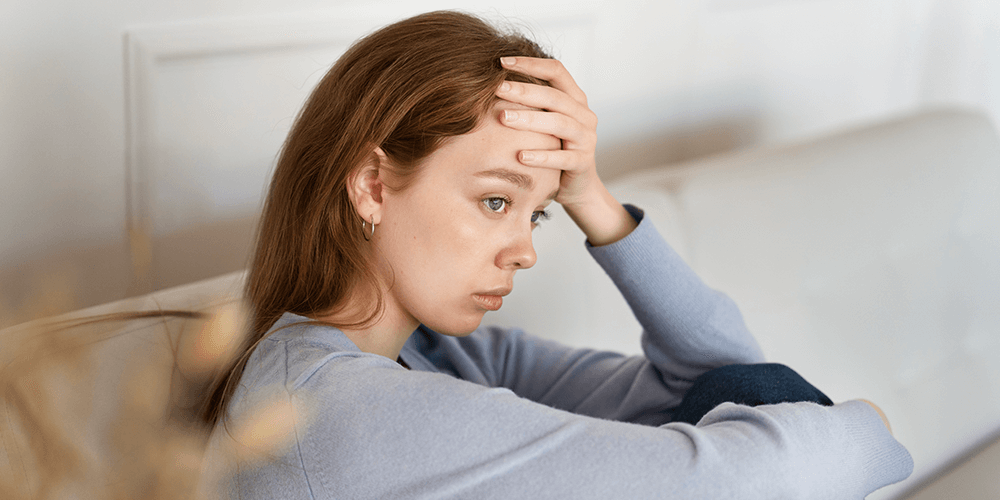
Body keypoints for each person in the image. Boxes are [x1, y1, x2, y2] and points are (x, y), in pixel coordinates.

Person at [201, 10, 913, 498]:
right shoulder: (329, 406)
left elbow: (731, 375)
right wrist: (871, 426)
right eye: (494, 201)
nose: (525, 251)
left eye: (537, 212)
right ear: (371, 185)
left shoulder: (440, 356)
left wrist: (592, 197)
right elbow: (734, 484)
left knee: (760, 396)